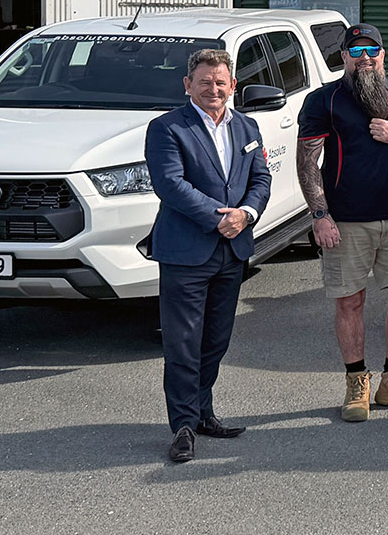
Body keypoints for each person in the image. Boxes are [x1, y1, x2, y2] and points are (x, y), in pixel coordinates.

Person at [296, 23, 388, 423]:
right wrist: (320, 215)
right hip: (344, 220)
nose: (364, 58)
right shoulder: (323, 100)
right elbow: (307, 161)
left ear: (382, 54)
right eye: (355, 51)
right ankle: (356, 380)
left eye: (371, 50)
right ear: (343, 57)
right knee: (350, 301)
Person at [145, 48, 272, 464]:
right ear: (188, 85)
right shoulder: (166, 128)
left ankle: (202, 413)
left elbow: (261, 177)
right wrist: (219, 219)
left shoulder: (247, 126)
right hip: (187, 250)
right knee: (184, 343)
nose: (213, 89)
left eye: (221, 82)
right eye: (204, 82)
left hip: (232, 251)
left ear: (232, 85)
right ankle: (182, 425)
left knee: (215, 340)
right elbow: (170, 183)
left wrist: (247, 214)